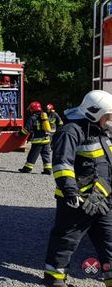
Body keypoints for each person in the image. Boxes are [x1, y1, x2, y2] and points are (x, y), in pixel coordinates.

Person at [43, 90, 112, 287]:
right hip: (77, 201)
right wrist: (71, 192)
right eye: (108, 116)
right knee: (66, 240)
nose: (110, 120)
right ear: (95, 113)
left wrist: (104, 192)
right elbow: (62, 165)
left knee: (109, 241)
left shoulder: (102, 133)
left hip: (102, 198)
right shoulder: (71, 131)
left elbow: (107, 166)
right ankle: (54, 278)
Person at [18, 101, 52, 175]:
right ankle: (48, 170)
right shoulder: (44, 116)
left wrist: (19, 133)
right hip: (46, 139)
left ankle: (27, 169)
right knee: (46, 155)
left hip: (38, 141)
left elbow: (26, 130)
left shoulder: (32, 118)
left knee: (32, 155)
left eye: (30, 109)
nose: (30, 110)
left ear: (33, 109)